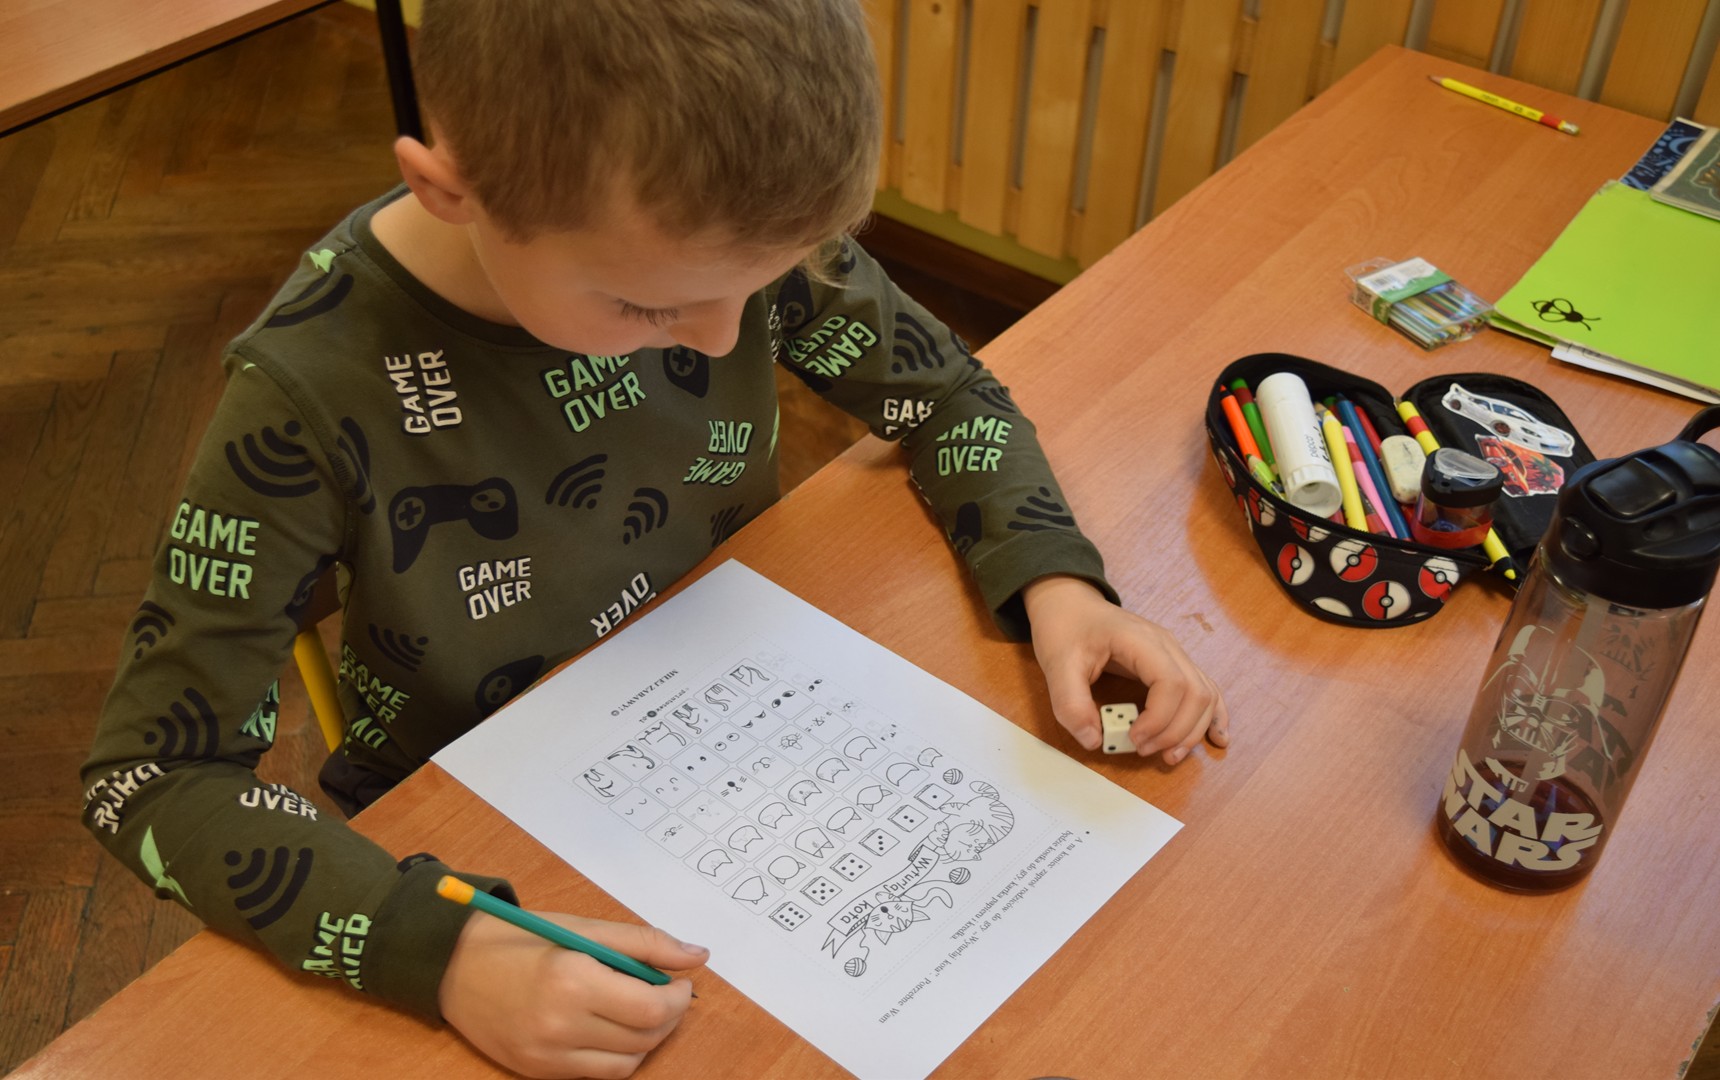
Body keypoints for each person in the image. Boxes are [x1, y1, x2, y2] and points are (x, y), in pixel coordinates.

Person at [80, 1, 1228, 1076]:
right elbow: (152, 774)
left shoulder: (718, 233)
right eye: (646, 309)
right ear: (450, 190)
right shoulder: (303, 393)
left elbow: (946, 395)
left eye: (762, 285)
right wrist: (438, 949)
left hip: (740, 723)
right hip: (485, 835)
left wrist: (1058, 584)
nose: (727, 336)